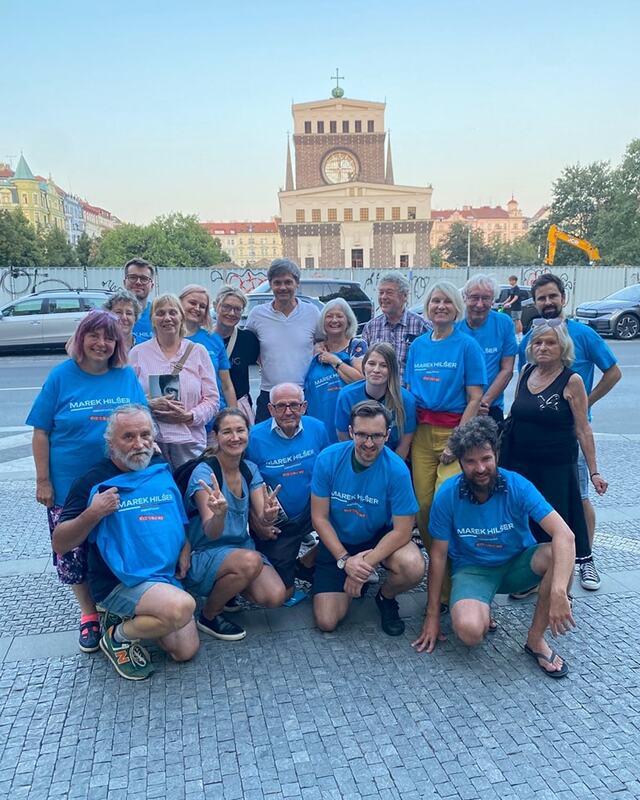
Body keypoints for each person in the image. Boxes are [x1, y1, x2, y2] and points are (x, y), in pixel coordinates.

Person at [412, 418, 576, 678]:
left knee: (560, 556)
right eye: (470, 461)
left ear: (496, 454)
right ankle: (481, 607)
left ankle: (535, 640)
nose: (480, 468)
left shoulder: (517, 485)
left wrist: (558, 591)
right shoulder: (447, 495)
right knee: (469, 633)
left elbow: (564, 534)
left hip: (517, 564)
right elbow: (438, 555)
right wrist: (432, 616)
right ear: (460, 463)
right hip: (473, 570)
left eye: (486, 459)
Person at [27, 311, 147, 653]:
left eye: (109, 338)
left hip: (119, 480)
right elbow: (41, 431)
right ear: (81, 338)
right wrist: (43, 480)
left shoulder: (125, 375)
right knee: (74, 552)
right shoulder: (61, 376)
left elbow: (142, 422)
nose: (101, 343)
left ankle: (117, 603)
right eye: (94, 335)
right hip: (69, 483)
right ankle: (89, 614)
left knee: (117, 544)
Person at [51, 405, 199, 681]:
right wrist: (93, 513)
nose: (139, 444)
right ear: (111, 443)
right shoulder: (91, 481)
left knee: (184, 650)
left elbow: (176, 516)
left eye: (145, 435)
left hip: (164, 577)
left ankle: (140, 616)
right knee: (181, 607)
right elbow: (60, 543)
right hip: (120, 582)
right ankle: (116, 635)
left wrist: (186, 545)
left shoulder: (159, 467)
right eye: (128, 437)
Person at [518, 273, 621, 590]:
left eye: (552, 296)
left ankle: (584, 560)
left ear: (563, 298)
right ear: (535, 303)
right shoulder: (530, 338)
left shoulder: (584, 334)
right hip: (534, 442)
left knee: (578, 499)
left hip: (569, 435)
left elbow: (613, 372)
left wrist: (587, 401)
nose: (547, 302)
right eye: (541, 298)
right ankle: (539, 567)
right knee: (537, 503)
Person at [503, 319, 608, 591]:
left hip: (555, 469)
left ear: (562, 347)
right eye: (538, 342)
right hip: (522, 465)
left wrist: (594, 472)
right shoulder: (526, 372)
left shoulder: (572, 380)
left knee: (557, 526)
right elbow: (515, 414)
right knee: (526, 522)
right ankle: (531, 578)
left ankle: (562, 589)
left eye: (550, 342)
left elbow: (583, 429)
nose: (543, 347)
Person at [311, 401, 425, 636]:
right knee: (327, 621)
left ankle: (386, 597)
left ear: (387, 435)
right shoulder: (328, 459)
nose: (369, 443)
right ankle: (326, 573)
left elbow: (403, 531)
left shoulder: (397, 470)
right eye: (362, 434)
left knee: (413, 566)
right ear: (350, 431)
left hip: (377, 537)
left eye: (376, 436)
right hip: (339, 541)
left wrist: (363, 567)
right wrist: (345, 560)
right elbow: (319, 518)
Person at [405, 281, 486, 605]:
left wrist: (456, 441)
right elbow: (410, 392)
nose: (440, 306)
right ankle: (442, 577)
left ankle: (464, 580)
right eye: (435, 301)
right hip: (422, 434)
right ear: (427, 307)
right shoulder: (418, 346)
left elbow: (475, 397)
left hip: (455, 432)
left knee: (446, 503)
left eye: (447, 302)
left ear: (457, 308)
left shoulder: (467, 346)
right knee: (423, 507)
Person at [181, 409, 288, 641]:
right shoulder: (205, 472)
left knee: (275, 596)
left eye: (240, 430)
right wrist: (219, 515)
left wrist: (269, 516)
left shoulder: (249, 468)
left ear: (248, 433)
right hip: (204, 551)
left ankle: (226, 588)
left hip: (239, 549)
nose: (235, 437)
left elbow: (262, 517)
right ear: (215, 436)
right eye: (227, 432)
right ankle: (209, 615)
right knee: (251, 561)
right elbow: (211, 532)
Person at [246, 383, 329, 596]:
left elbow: (330, 470)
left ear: (304, 406)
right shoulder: (253, 438)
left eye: (294, 405)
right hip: (278, 520)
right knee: (284, 592)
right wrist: (256, 522)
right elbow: (243, 486)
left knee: (349, 521)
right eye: (281, 406)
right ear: (270, 409)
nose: (288, 411)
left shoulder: (318, 428)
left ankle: (308, 562)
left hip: (313, 508)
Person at [129, 294, 219, 469]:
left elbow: (212, 400)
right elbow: (127, 399)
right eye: (160, 313)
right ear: (152, 320)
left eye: (172, 312)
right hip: (150, 444)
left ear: (181, 317)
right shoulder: (137, 354)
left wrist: (190, 416)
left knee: (192, 485)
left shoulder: (198, 352)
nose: (167, 318)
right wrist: (147, 404)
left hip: (191, 442)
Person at [246, 259, 320, 423]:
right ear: (270, 284)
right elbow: (249, 347)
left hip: (304, 394)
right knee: (264, 437)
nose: (283, 287)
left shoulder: (312, 312)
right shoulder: (257, 314)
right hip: (269, 394)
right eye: (277, 283)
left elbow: (323, 344)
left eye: (288, 282)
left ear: (297, 283)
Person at [335, 342, 417, 460]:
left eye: (384, 365)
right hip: (357, 458)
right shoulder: (347, 396)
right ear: (364, 366)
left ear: (392, 370)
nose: (376, 370)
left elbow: (404, 445)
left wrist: (390, 469)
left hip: (391, 459)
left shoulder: (407, 400)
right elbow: (343, 437)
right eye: (371, 364)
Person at [459, 274, 517, 426]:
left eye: (485, 298)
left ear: (493, 300)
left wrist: (483, 402)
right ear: (465, 298)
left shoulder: (504, 323)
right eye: (474, 297)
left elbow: (507, 370)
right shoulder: (454, 324)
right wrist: (472, 406)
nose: (479, 304)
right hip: (456, 407)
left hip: (489, 407)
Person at [304, 298, 366, 442]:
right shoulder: (316, 347)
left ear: (348, 321)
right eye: (329, 316)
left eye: (339, 316)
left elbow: (360, 380)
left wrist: (334, 360)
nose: (334, 320)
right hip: (320, 415)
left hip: (349, 413)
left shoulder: (357, 345)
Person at [361, 272, 429, 380]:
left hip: (408, 389)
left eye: (389, 293)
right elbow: (364, 365)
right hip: (378, 389)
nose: (383, 297)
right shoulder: (370, 327)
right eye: (381, 293)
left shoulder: (421, 326)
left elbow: (429, 365)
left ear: (405, 296)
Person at [179, 284, 237, 411]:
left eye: (202, 306)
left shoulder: (214, 339)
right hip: (180, 412)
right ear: (179, 302)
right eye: (192, 303)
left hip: (213, 413)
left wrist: (235, 414)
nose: (197, 308)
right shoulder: (168, 338)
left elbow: (226, 384)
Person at [213, 286, 260, 423]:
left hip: (239, 406)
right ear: (216, 306)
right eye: (226, 307)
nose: (231, 313)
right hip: (209, 406)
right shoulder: (204, 339)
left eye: (237, 309)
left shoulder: (248, 339)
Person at [123, 258, 155, 343]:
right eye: (133, 277)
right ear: (124, 282)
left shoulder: (159, 315)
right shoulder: (112, 315)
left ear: (152, 286)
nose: (138, 282)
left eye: (144, 279)